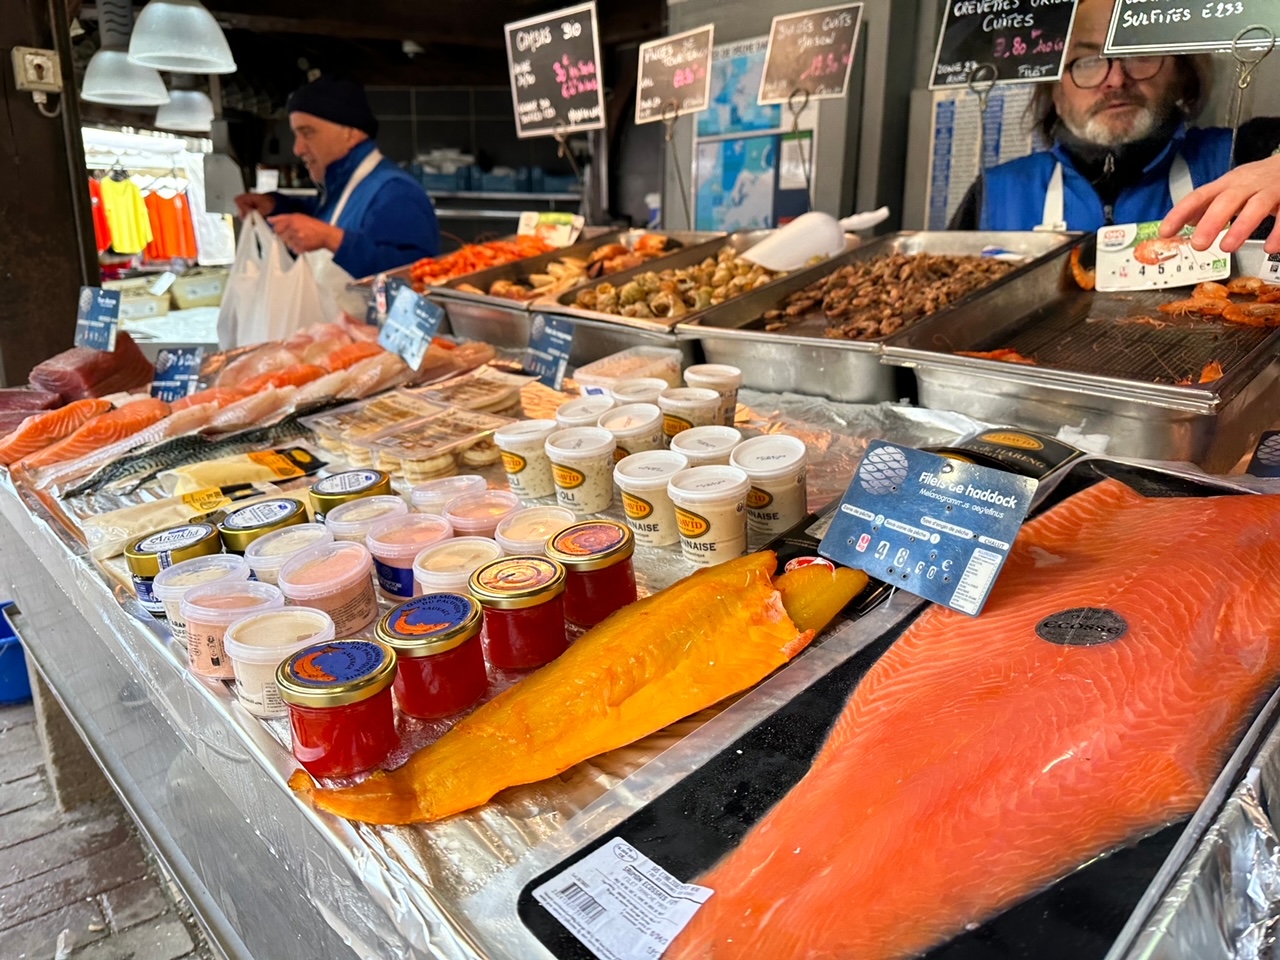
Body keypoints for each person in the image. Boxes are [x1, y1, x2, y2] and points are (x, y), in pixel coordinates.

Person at [948, 0, 1278, 234]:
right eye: (1087, 61)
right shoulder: (994, 194)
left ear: (1183, 73)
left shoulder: (1246, 154)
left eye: (1138, 53)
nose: (1116, 80)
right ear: (1055, 93)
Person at [234, 76, 439, 281]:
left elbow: (417, 275)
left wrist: (333, 240)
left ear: (350, 133)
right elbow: (327, 215)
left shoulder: (395, 191)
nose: (297, 149)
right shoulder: (343, 186)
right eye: (296, 135)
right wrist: (274, 206)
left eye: (308, 133)